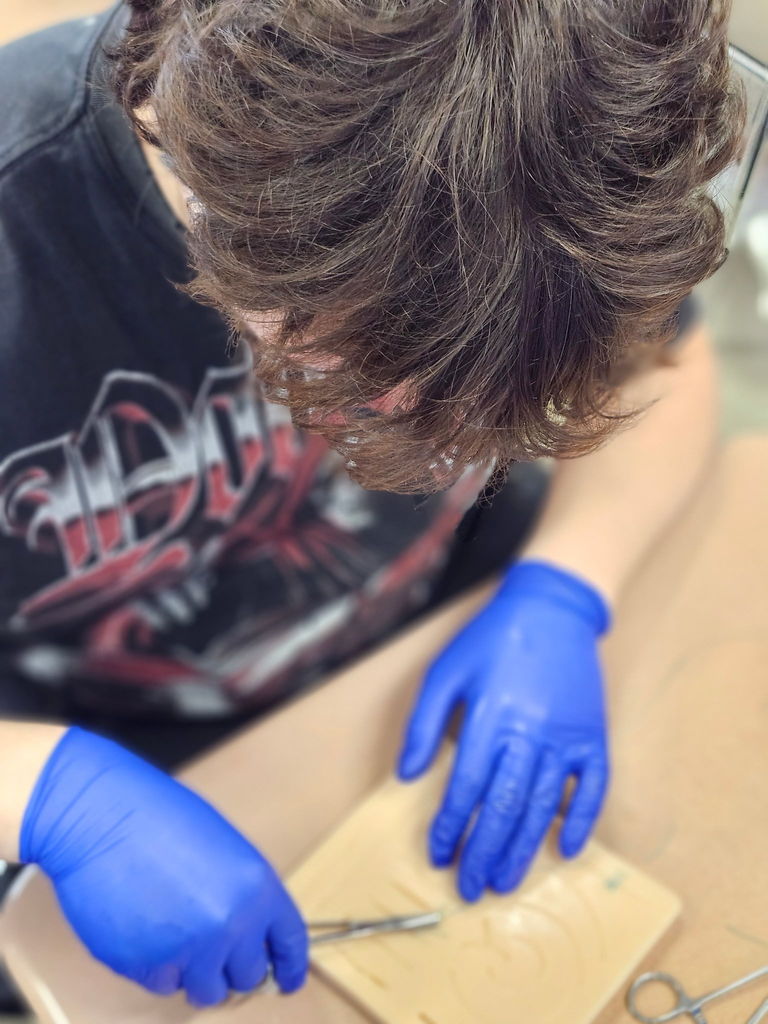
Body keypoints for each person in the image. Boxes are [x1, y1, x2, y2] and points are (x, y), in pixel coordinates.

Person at [0, 0, 742, 1009]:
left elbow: (662, 369)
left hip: (428, 647)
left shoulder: (574, 163)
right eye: (366, 379)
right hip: (117, 752)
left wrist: (569, 580)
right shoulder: (25, 228)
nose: (435, 441)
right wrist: (47, 794)